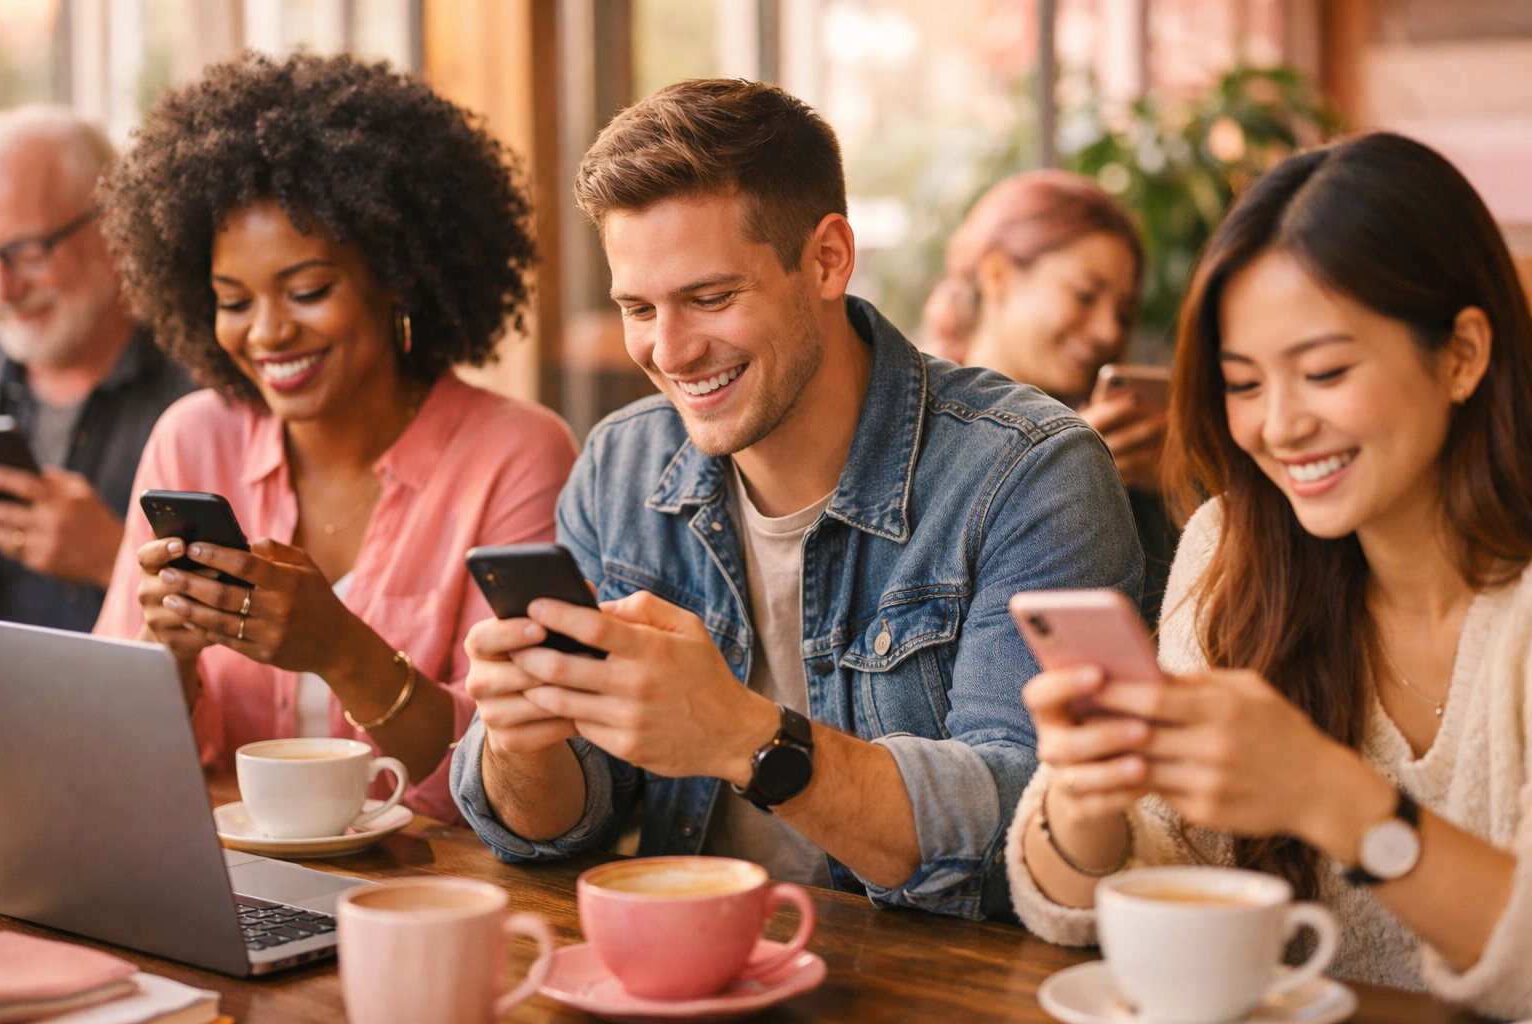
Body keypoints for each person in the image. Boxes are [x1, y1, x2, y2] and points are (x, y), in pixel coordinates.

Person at [451, 79, 1142, 918]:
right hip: (684, 959)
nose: (670, 351)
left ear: (827, 260)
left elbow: (1032, 838)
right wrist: (523, 742)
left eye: (711, 298)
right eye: (638, 308)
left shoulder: (1031, 473)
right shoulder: (620, 465)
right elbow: (559, 826)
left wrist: (745, 737)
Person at [1005, 133, 1532, 1018]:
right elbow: (1104, 897)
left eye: (1324, 371)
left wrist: (1332, 797)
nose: (1280, 426)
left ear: (1462, 355)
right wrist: (1086, 795)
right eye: (1244, 384)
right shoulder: (1234, 550)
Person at [93, 54, 578, 825]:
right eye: (233, 301)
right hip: (228, 872)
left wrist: (342, 651)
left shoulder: (514, 455)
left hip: (431, 880)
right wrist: (168, 653)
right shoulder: (192, 441)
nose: (267, 333)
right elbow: (110, 762)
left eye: (308, 290)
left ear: (399, 276)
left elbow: (520, 780)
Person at [921, 171, 1177, 626]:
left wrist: (1170, 494)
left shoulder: (1123, 456)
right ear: (997, 274)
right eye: (1085, 295)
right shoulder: (914, 431)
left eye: (1123, 313)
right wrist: (1058, 475)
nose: (1109, 331)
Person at [0, 106, 196, 631]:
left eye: (28, 252)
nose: (4, 290)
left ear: (112, 227)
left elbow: (249, 643)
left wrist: (115, 558)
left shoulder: (198, 394)